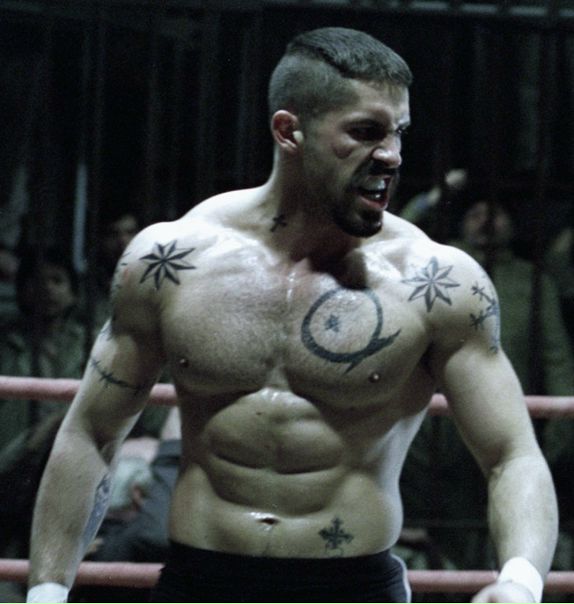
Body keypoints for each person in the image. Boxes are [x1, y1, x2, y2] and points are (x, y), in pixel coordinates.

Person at [27, 27, 557, 603]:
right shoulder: (172, 261)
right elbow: (91, 434)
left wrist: (520, 581)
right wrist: (46, 591)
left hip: (351, 587)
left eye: (398, 133)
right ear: (289, 131)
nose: (391, 155)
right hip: (200, 582)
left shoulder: (436, 282)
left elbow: (511, 455)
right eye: (365, 132)